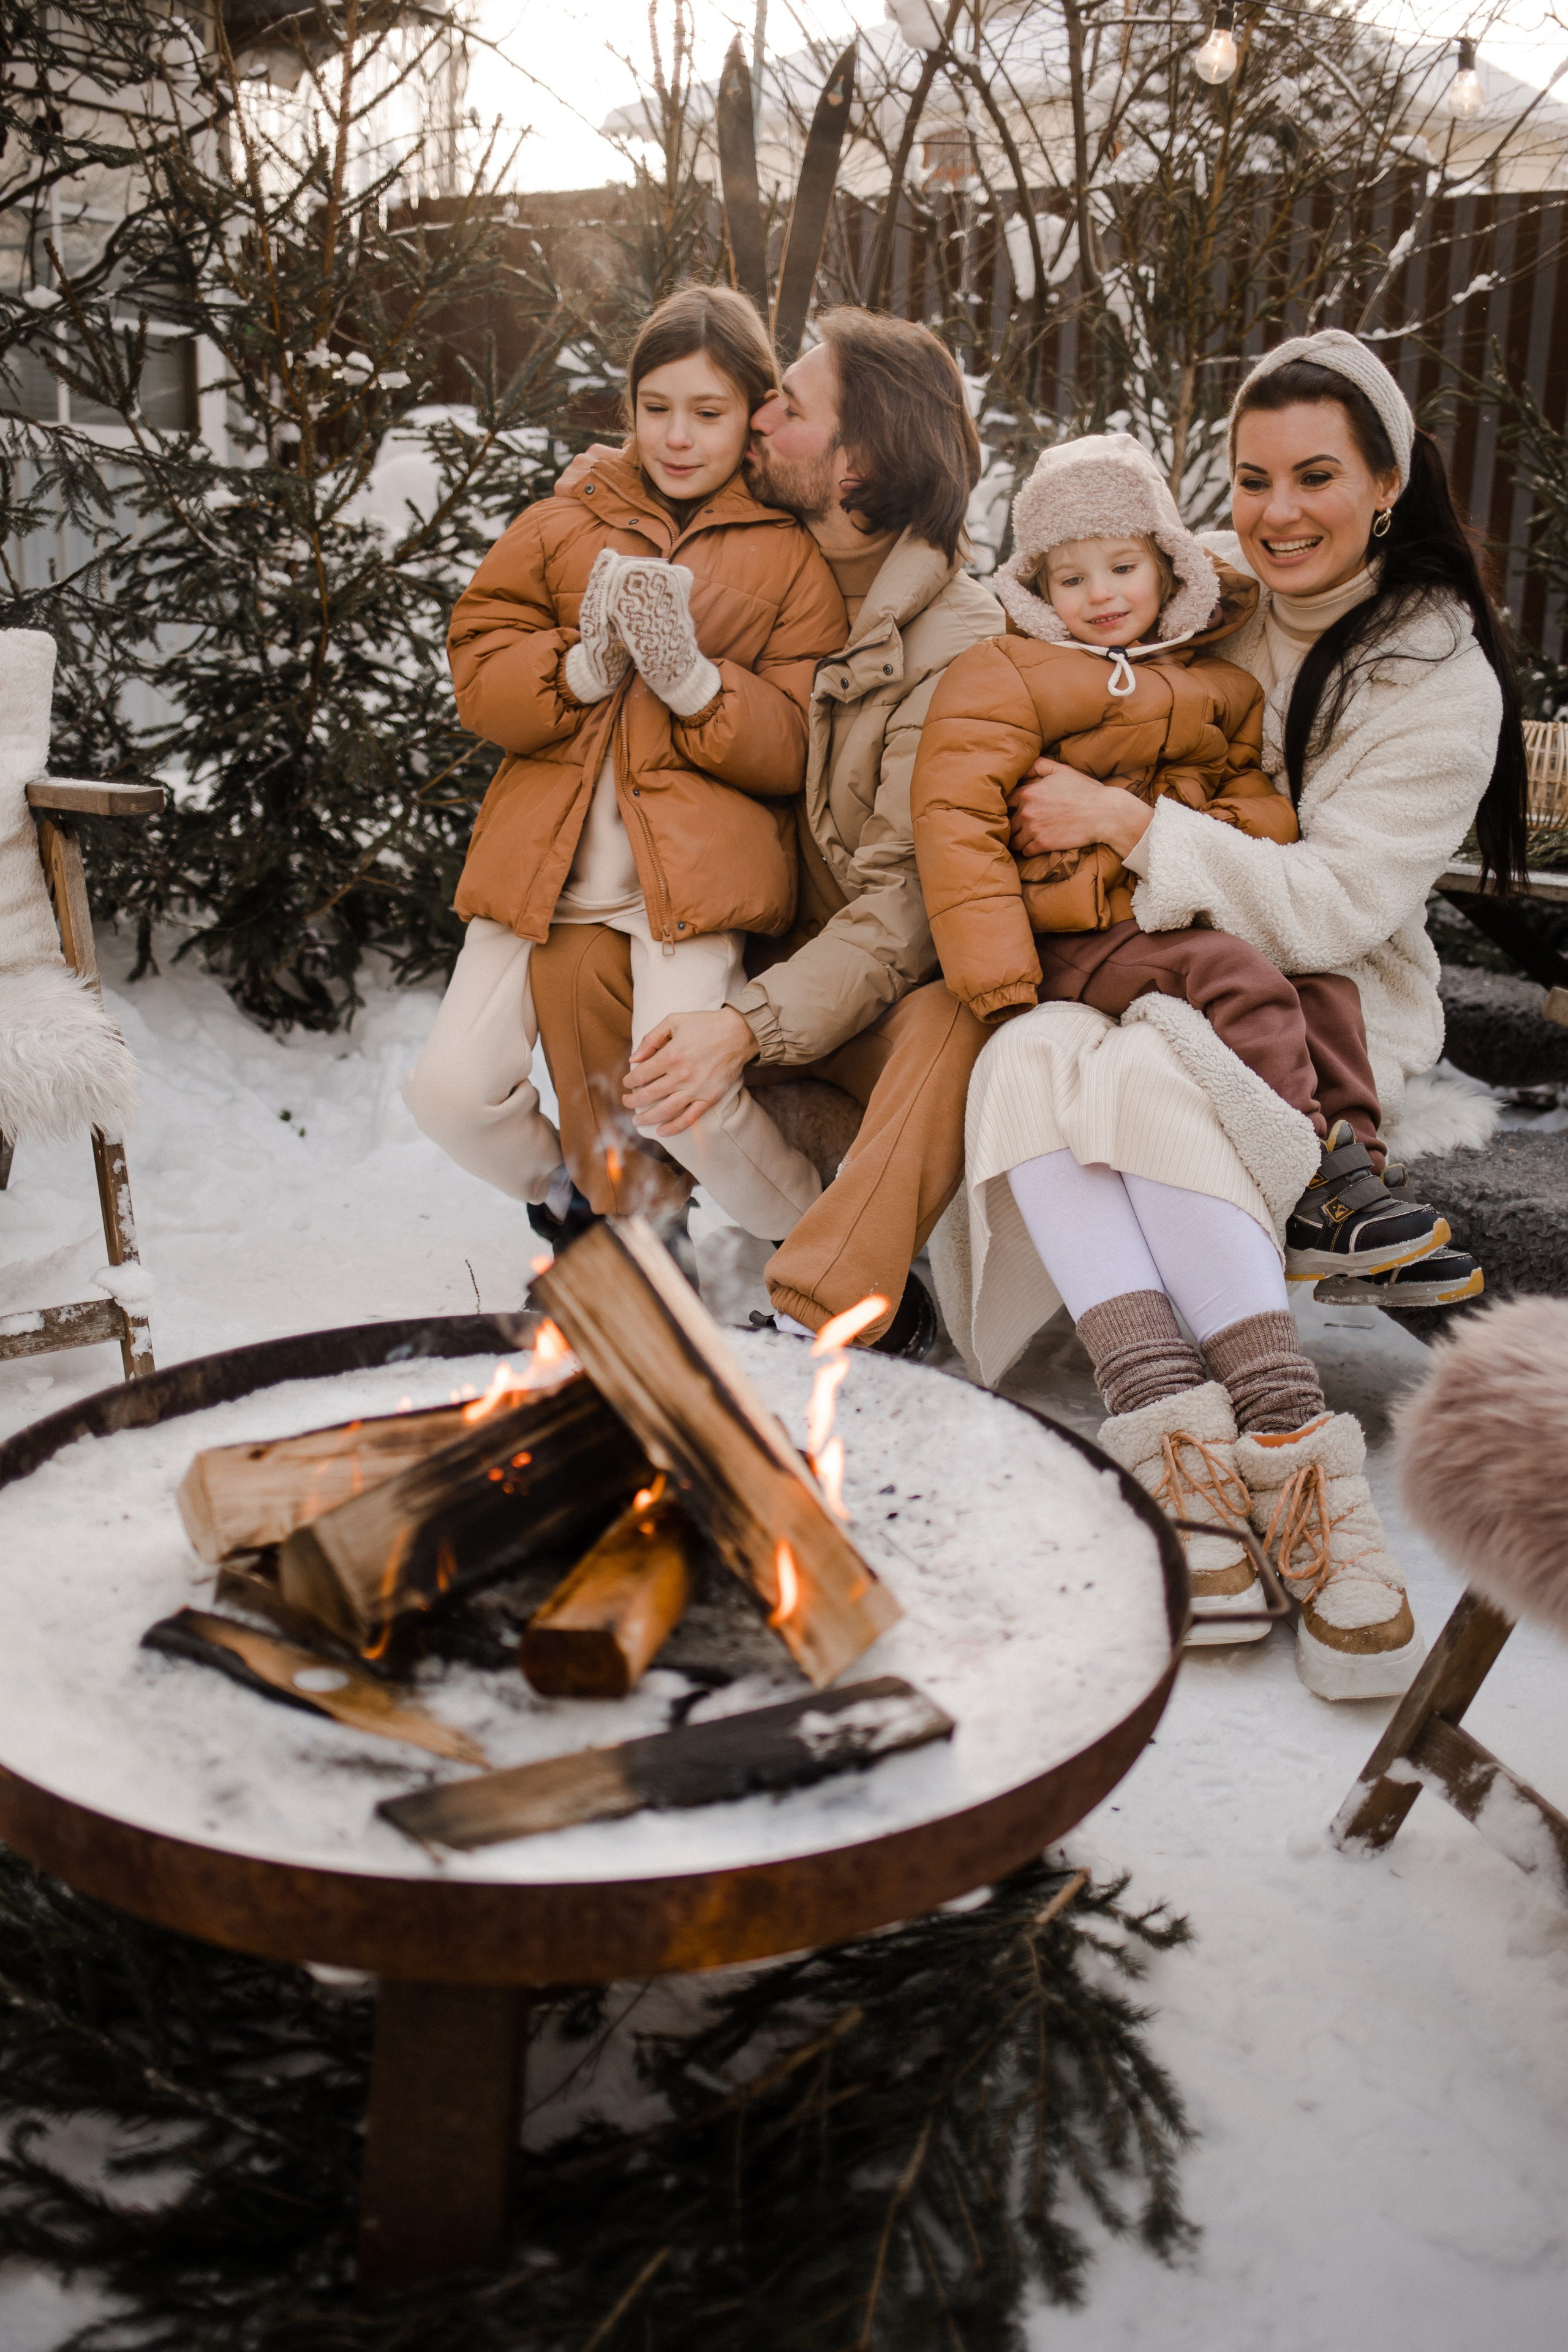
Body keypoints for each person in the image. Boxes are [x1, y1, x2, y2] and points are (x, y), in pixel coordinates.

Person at [934, 329, 1525, 1702]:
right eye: (1250, 478)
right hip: (1130, 956)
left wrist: (1125, 824)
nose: (1274, 512)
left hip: (1318, 1009)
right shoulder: (1206, 592)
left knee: (1139, 1084)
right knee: (1017, 1059)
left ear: (1385, 482)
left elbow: (1327, 908)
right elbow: (1047, 592)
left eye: (1313, 476)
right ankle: (1184, 1468)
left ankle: (1300, 1474)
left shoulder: (1433, 674)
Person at [532, 309, 1005, 1354]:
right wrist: (595, 487)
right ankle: (625, 1245)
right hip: (758, 944)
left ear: (857, 463)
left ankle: (852, 1310)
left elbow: (909, 904)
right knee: (587, 962)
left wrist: (745, 1026)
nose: (754, 422)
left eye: (786, 408)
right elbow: (663, 466)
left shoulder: (958, 643)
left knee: (947, 1025)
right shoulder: (773, 553)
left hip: (863, 998)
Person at [912, 429, 1449, 1286]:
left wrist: (1167, 819)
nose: (1101, 595)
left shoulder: (1217, 684)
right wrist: (1000, 985)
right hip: (1073, 932)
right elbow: (954, 821)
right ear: (1038, 588)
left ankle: (1361, 1190)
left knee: (1326, 989)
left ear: (1166, 565)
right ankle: (1303, 1181)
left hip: (1168, 909)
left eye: (1122, 567)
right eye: (1070, 577)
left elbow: (1267, 811)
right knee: (1240, 975)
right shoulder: (1007, 674)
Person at [402, 286, 844, 1247]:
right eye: (657, 409)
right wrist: (579, 666)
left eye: (709, 413)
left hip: (685, 890)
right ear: (629, 408)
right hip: (539, 874)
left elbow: (801, 740)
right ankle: (577, 1201)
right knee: (445, 1093)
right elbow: (478, 663)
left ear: (752, 415)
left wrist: (692, 683)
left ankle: (828, 1244)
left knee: (688, 1100)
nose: (678, 436)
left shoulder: (788, 557)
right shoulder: (566, 519)